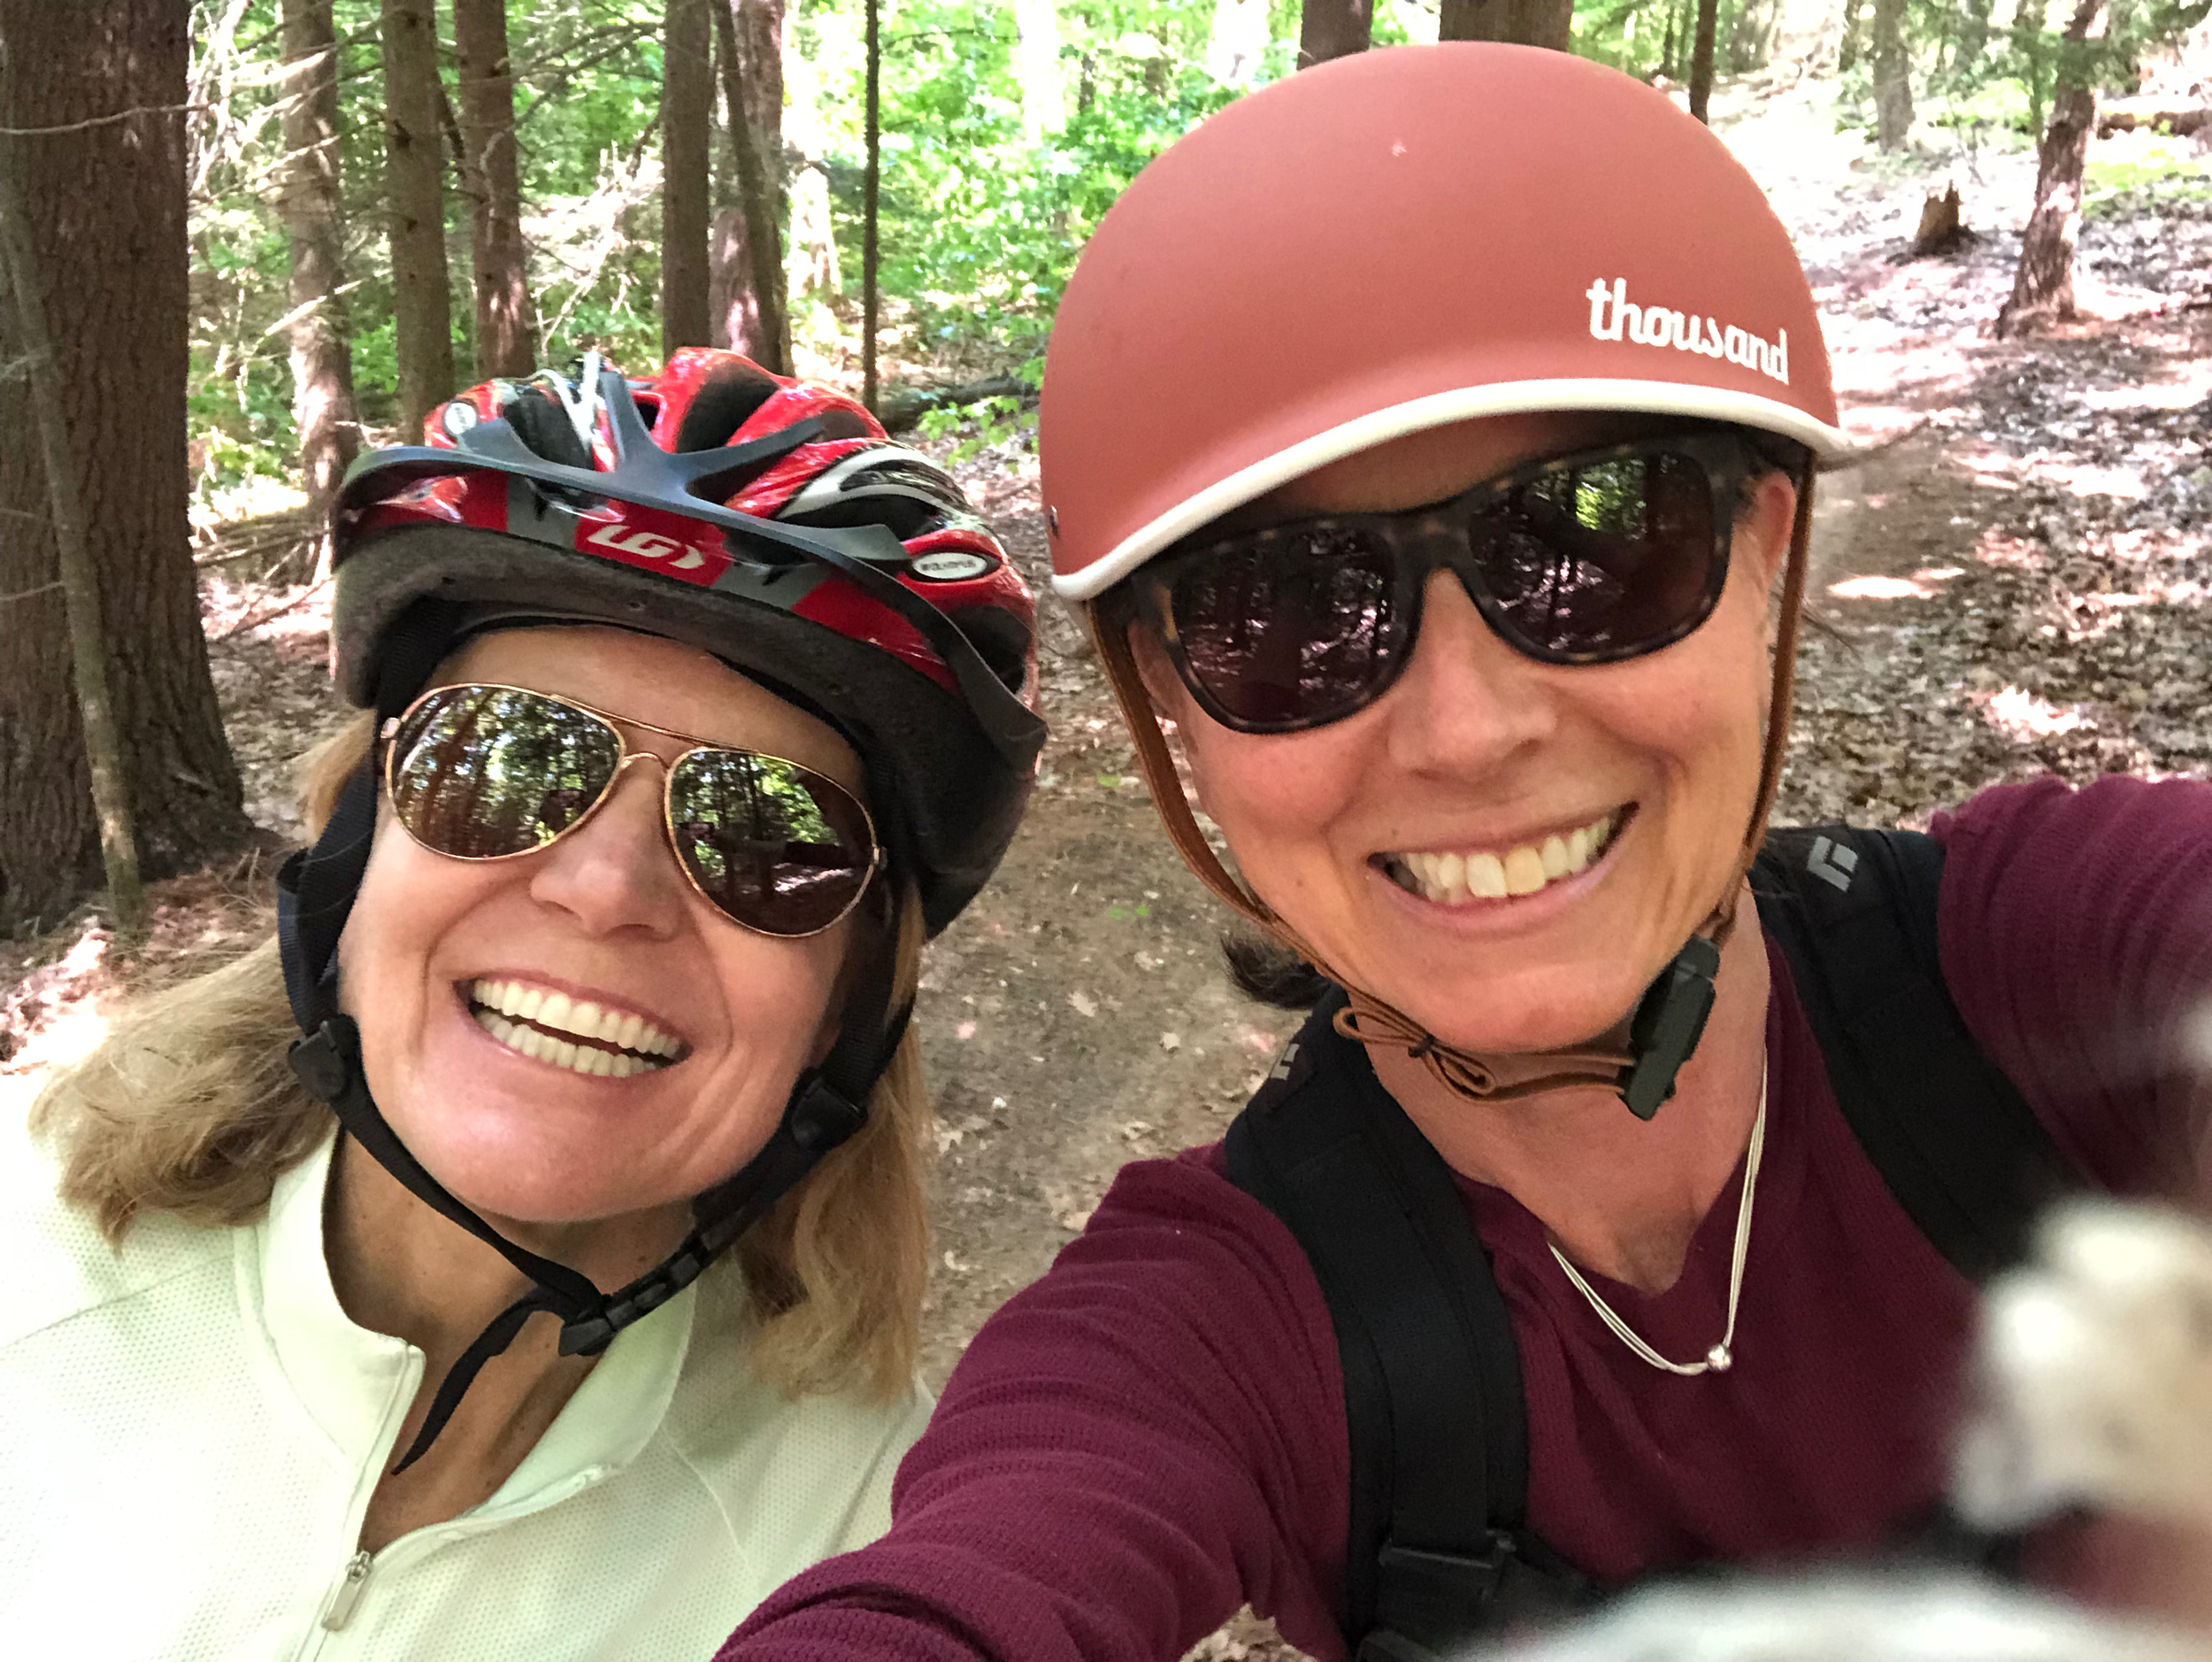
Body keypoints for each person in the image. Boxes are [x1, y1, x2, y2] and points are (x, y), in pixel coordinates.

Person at [714, 45, 2212, 1662]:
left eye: (1598, 543)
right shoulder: (1211, 1326)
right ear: (1169, 699)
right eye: (1286, 612)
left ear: (1766, 551)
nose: (1466, 731)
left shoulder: (2040, 968)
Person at [1, 349, 1045, 1658]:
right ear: (354, 849)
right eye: (503, 760)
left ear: (848, 1003)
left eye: (766, 834)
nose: (604, 891)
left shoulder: (858, 1555)